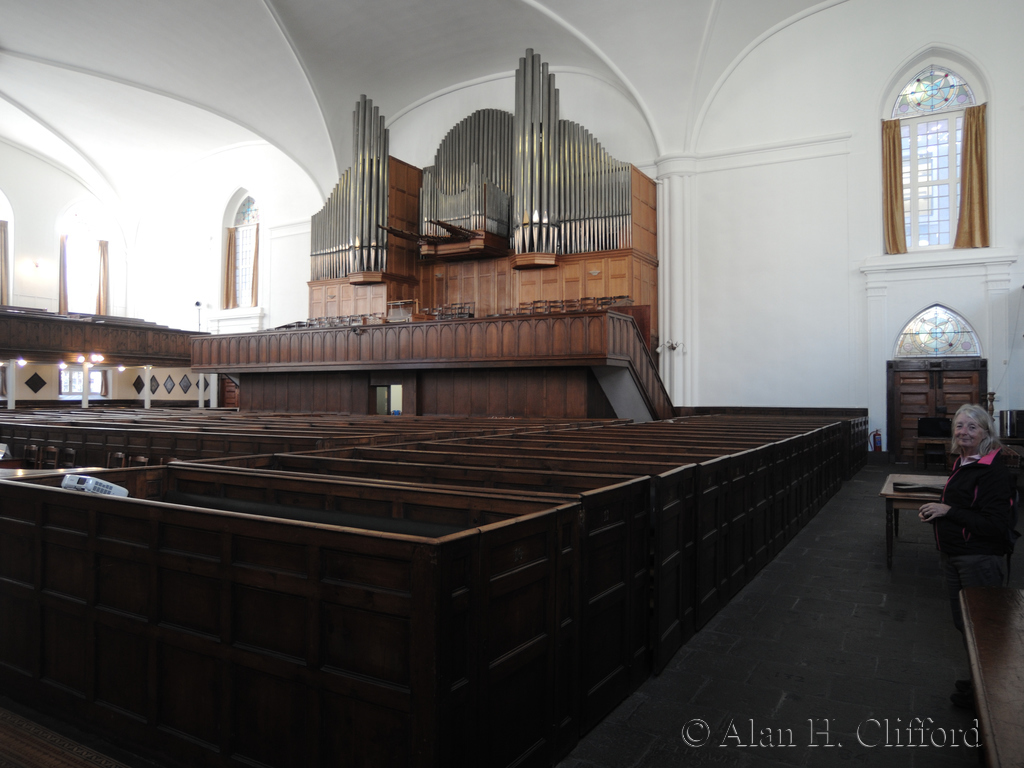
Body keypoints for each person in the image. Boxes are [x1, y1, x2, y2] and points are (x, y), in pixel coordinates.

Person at [918, 403, 1016, 709]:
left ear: (986, 432)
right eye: (959, 426)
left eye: (972, 427)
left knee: (983, 630)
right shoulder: (965, 461)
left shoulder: (992, 471)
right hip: (957, 554)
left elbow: (995, 525)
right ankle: (978, 681)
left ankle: (990, 698)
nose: (964, 432)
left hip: (979, 559)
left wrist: (947, 511)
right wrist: (938, 512)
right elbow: (965, 507)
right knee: (965, 624)